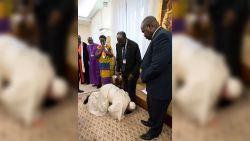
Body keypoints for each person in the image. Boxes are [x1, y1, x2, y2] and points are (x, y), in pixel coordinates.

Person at [140, 16, 172, 140]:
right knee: (152, 105)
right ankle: (152, 121)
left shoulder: (162, 36)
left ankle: (155, 131)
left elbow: (157, 66)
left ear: (150, 26)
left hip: (162, 85)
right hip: (155, 83)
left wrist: (142, 77)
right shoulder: (158, 36)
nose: (144, 35)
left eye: (144, 31)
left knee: (158, 110)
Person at [34, 0, 75, 77]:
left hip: (58, 13)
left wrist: (60, 11)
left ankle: (56, 78)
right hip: (42, 12)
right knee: (44, 47)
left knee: (55, 51)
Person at [208, 0, 249, 78]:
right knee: (218, 48)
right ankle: (220, 79)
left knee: (230, 51)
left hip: (233, 11)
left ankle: (233, 81)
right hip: (217, 11)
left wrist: (235, 10)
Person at [115, 31, 141, 102]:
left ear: (125, 38)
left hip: (132, 72)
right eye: (118, 41)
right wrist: (117, 69)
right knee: (125, 89)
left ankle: (132, 105)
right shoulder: (118, 45)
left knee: (131, 90)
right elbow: (118, 58)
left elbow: (138, 61)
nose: (119, 43)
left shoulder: (134, 45)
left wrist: (132, 74)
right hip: (123, 72)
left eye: (121, 41)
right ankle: (126, 103)